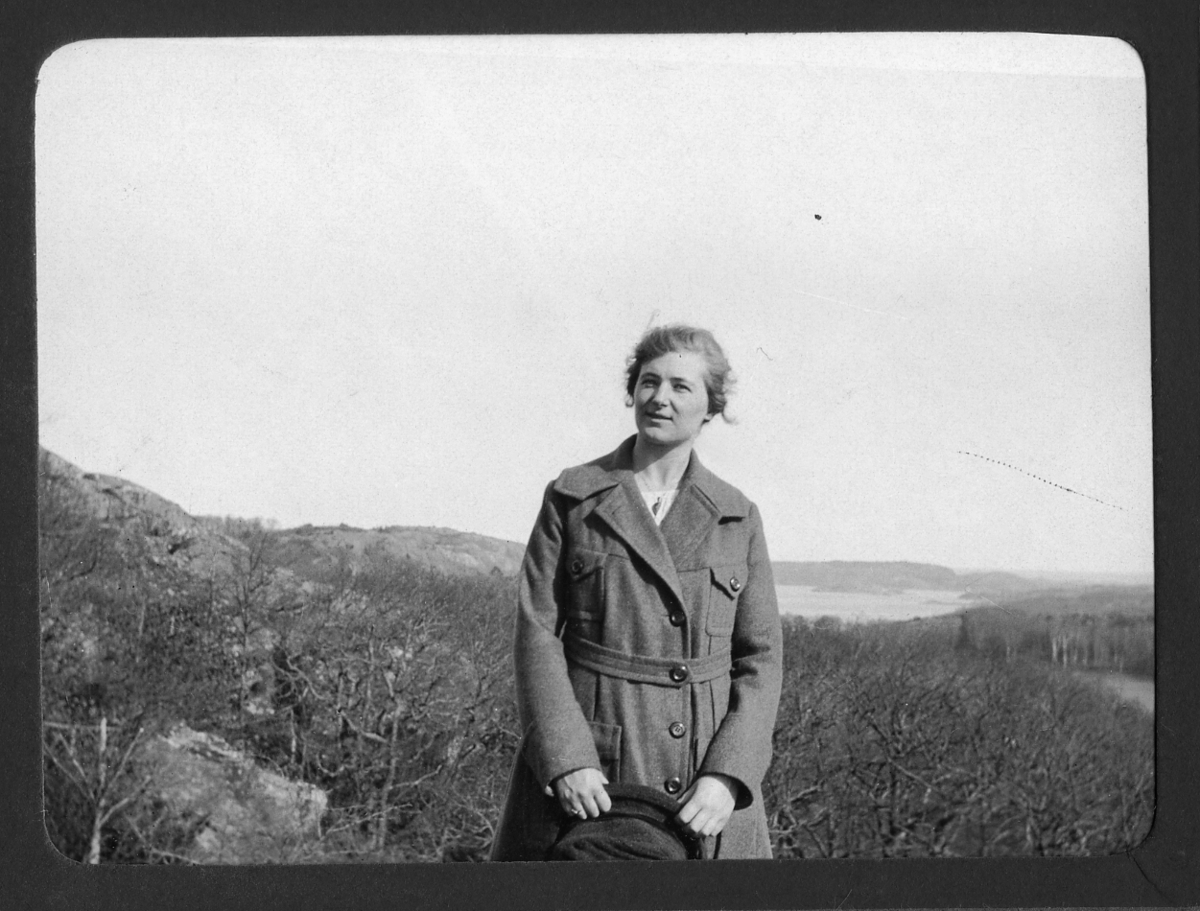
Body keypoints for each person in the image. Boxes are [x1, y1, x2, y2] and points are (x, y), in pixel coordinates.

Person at [490, 324, 783, 861]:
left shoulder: (737, 516)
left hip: (702, 783)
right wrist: (565, 759)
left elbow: (760, 660)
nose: (659, 398)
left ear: (710, 407)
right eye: (649, 382)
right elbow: (536, 634)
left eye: (680, 386)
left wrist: (729, 776)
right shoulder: (573, 497)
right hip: (592, 776)